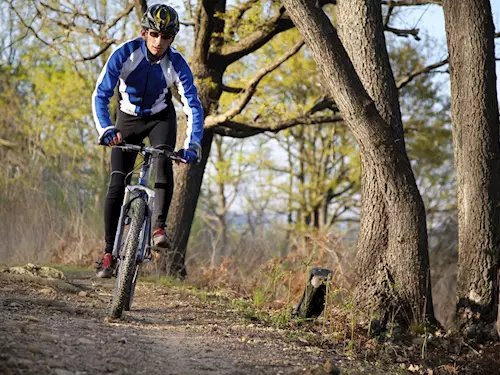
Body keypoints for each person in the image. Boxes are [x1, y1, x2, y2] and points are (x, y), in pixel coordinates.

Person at [92, 4, 204, 278]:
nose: (159, 42)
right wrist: (106, 128)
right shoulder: (125, 53)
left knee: (164, 160)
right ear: (144, 33)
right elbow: (100, 95)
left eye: (166, 37)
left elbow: (193, 106)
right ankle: (108, 254)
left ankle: (158, 229)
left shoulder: (176, 63)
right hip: (126, 119)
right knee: (117, 181)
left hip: (159, 118)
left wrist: (193, 145)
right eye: (154, 34)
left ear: (173, 39)